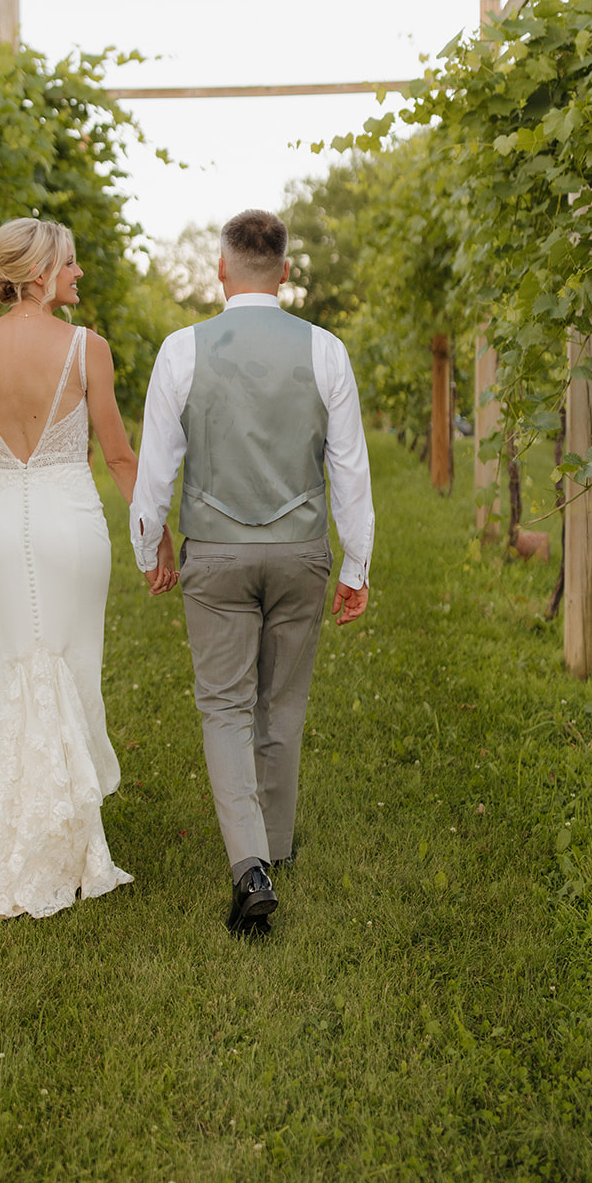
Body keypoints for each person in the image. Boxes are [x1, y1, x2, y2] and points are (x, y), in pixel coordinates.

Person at [130, 209, 374, 935]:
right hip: (300, 551)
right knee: (283, 702)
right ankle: (274, 843)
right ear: (286, 273)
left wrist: (152, 547)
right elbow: (349, 469)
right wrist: (355, 564)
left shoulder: (182, 350)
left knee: (224, 705)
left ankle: (248, 866)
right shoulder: (325, 350)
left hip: (216, 551)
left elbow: (156, 469)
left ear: (220, 269)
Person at [0, 217, 175, 923]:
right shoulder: (84, 348)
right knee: (68, 670)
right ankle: (65, 848)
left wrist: (13, 513)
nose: (77, 274)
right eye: (69, 263)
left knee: (16, 668)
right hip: (71, 527)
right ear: (40, 271)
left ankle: (27, 842)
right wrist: (155, 535)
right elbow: (121, 458)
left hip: (3, 528)